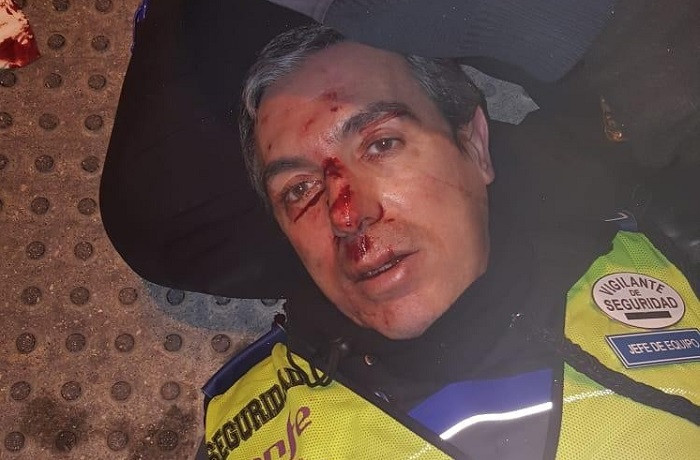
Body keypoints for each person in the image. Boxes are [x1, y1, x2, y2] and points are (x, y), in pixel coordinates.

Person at [197, 24, 699, 460]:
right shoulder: (245, 431)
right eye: (299, 189)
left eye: (381, 144)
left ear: (475, 145)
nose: (346, 214)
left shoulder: (672, 261)